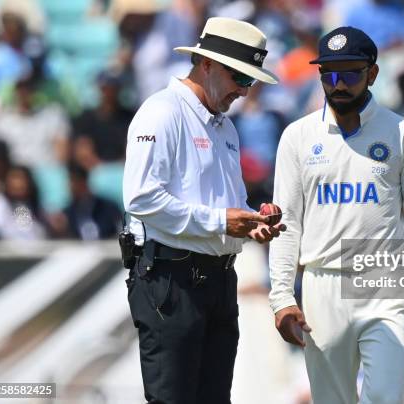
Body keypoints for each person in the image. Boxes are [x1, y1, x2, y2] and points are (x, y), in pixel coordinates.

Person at [269, 26, 404, 404]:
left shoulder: (403, 133)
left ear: (373, 74)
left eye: (350, 73)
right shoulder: (297, 137)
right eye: (329, 74)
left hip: (385, 284)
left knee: (383, 397)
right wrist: (281, 296)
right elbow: (287, 224)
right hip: (321, 283)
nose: (338, 84)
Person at [122, 17, 285, 404]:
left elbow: (225, 207)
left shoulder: (224, 127)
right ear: (207, 64)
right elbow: (141, 198)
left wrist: (250, 223)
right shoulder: (161, 112)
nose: (245, 91)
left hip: (218, 282)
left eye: (251, 81)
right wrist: (223, 221)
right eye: (239, 78)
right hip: (171, 281)